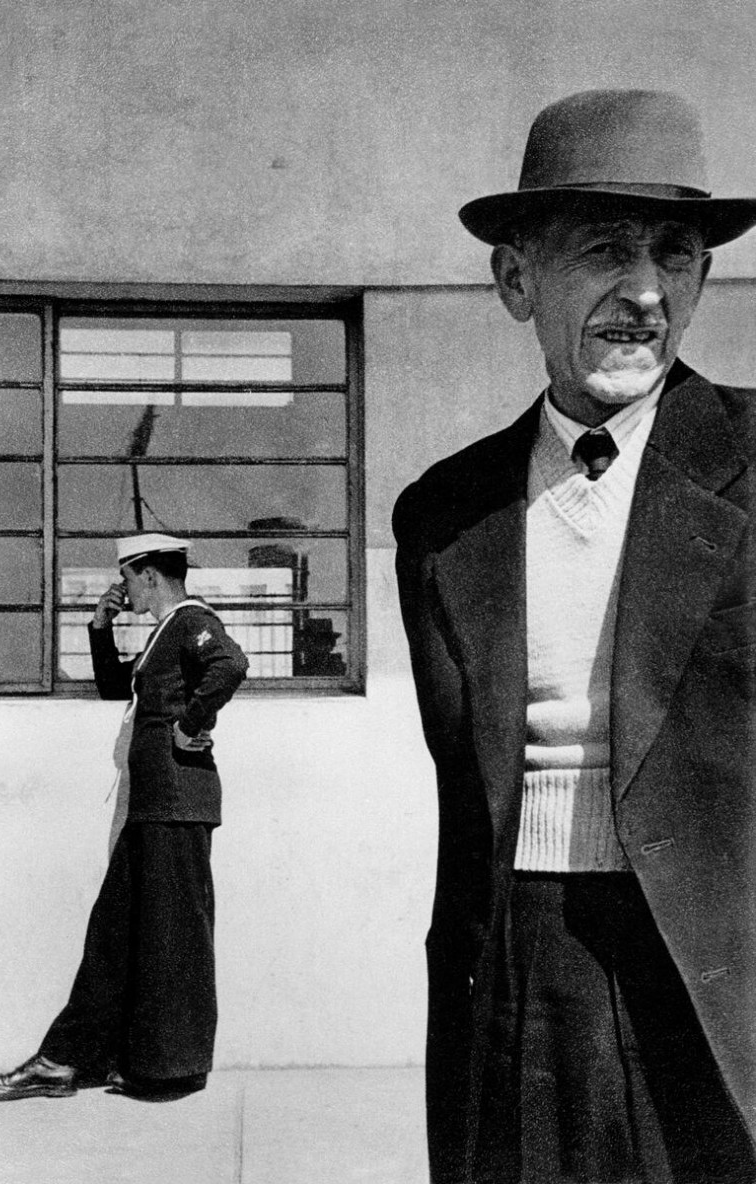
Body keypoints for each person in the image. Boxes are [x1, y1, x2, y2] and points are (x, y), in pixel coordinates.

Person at [393, 89, 756, 1184]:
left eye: (672, 253)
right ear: (516, 280)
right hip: (517, 969)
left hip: (721, 972)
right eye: (603, 248)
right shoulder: (443, 513)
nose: (642, 291)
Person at [0, 533, 248, 1100]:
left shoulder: (191, 621)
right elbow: (111, 686)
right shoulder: (163, 633)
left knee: (174, 936)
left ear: (148, 574)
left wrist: (192, 725)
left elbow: (230, 664)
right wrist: (100, 627)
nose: (122, 588)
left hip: (176, 805)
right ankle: (69, 1060)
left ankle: (169, 1070)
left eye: (126, 578)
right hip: (153, 808)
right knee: (114, 933)